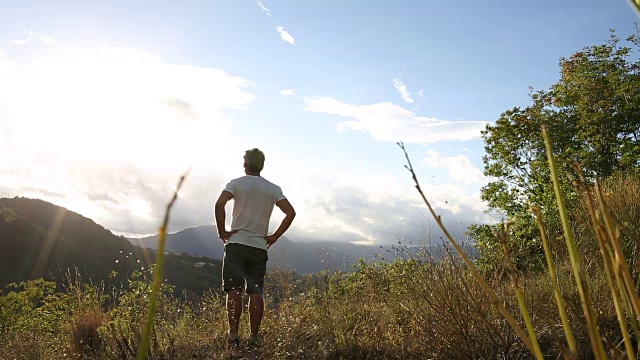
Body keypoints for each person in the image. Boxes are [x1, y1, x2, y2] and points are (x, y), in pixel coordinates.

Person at [214, 148, 296, 348]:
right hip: (259, 246)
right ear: (262, 165)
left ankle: (233, 336)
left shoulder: (236, 184)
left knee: (234, 290)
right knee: (255, 292)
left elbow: (219, 204)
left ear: (245, 164)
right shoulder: (273, 189)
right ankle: (254, 337)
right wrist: (275, 236)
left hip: (236, 244)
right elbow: (290, 213)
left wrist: (222, 231)